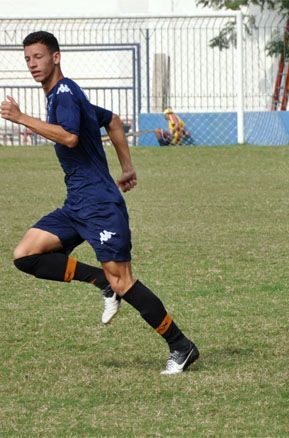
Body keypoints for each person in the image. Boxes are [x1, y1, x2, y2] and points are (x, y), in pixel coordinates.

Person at [0, 31, 198, 375]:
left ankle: (181, 345)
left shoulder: (63, 93)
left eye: (39, 57)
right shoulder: (63, 95)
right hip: (77, 204)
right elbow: (113, 120)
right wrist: (127, 167)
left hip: (100, 206)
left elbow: (69, 137)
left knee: (124, 281)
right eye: (28, 59)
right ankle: (100, 281)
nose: (33, 64)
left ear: (56, 57)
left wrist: (20, 118)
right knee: (26, 255)